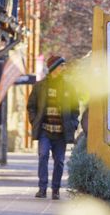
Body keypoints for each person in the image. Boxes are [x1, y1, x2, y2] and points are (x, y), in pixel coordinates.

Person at [27, 55, 80, 200]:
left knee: (60, 161)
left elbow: (75, 108)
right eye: (62, 65)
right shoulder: (40, 86)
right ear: (54, 68)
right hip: (45, 129)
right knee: (43, 156)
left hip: (61, 132)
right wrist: (34, 121)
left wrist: (73, 124)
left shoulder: (69, 87)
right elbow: (31, 106)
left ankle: (55, 189)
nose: (64, 68)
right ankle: (42, 188)